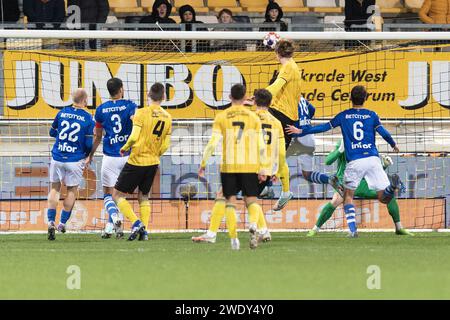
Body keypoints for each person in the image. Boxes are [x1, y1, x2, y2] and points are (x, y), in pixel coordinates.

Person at [287, 85, 403, 237]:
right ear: (366, 98)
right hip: (373, 159)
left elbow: (323, 128)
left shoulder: (344, 115)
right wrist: (393, 144)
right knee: (384, 197)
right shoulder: (372, 115)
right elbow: (383, 132)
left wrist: (302, 131)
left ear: (350, 98)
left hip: (355, 160)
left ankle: (353, 230)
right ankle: (391, 187)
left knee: (347, 196)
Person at [192, 89, 285, 245]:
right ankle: (261, 229)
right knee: (251, 198)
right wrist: (276, 170)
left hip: (243, 163)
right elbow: (280, 151)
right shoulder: (275, 122)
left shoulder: (246, 117)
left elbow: (218, 143)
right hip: (264, 166)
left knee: (224, 196)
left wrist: (203, 163)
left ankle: (212, 233)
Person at [307, 139, 413, 236]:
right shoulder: (343, 142)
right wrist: (340, 150)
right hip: (345, 182)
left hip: (363, 183)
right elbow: (327, 161)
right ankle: (315, 229)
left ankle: (399, 228)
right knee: (335, 201)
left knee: (389, 196)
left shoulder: (366, 144)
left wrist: (383, 165)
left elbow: (372, 171)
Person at [112, 83, 172, 241]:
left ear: (148, 94)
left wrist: (124, 148)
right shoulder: (168, 117)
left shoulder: (141, 112)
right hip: (153, 161)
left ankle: (136, 222)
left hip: (137, 160)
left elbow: (133, 137)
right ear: (164, 97)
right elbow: (166, 144)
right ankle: (144, 231)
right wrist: (155, 154)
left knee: (116, 195)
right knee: (143, 196)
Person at [87, 78, 137, 239]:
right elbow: (136, 125)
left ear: (109, 91)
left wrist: (91, 155)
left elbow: (98, 136)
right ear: (121, 89)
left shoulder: (101, 110)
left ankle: (114, 219)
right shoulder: (130, 105)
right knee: (120, 195)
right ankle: (110, 226)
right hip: (128, 155)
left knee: (108, 193)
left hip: (110, 157)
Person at [47, 89, 95, 240]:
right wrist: (87, 155)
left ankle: (50, 221)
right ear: (85, 101)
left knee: (55, 188)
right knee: (72, 190)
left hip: (58, 156)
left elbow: (52, 133)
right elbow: (88, 144)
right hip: (74, 160)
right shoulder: (88, 118)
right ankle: (62, 223)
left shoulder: (62, 113)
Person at [264, 39, 301, 211]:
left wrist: (258, 98)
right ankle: (282, 190)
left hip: (281, 114)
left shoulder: (287, 67)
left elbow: (276, 87)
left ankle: (266, 184)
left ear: (276, 53)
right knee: (277, 155)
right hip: (286, 115)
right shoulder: (293, 65)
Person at [284, 96, 343, 195]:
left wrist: (299, 125)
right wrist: (305, 122)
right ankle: (329, 179)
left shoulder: (285, 98)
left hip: (297, 136)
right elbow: (312, 109)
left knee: (273, 160)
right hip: (309, 136)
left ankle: (271, 190)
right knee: (307, 174)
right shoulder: (299, 97)